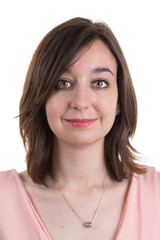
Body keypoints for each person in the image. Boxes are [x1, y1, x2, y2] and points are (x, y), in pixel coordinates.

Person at [0, 17, 160, 240]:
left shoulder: (156, 195)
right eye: (63, 83)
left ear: (120, 101)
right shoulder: (2, 200)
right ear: (40, 98)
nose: (81, 101)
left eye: (99, 83)